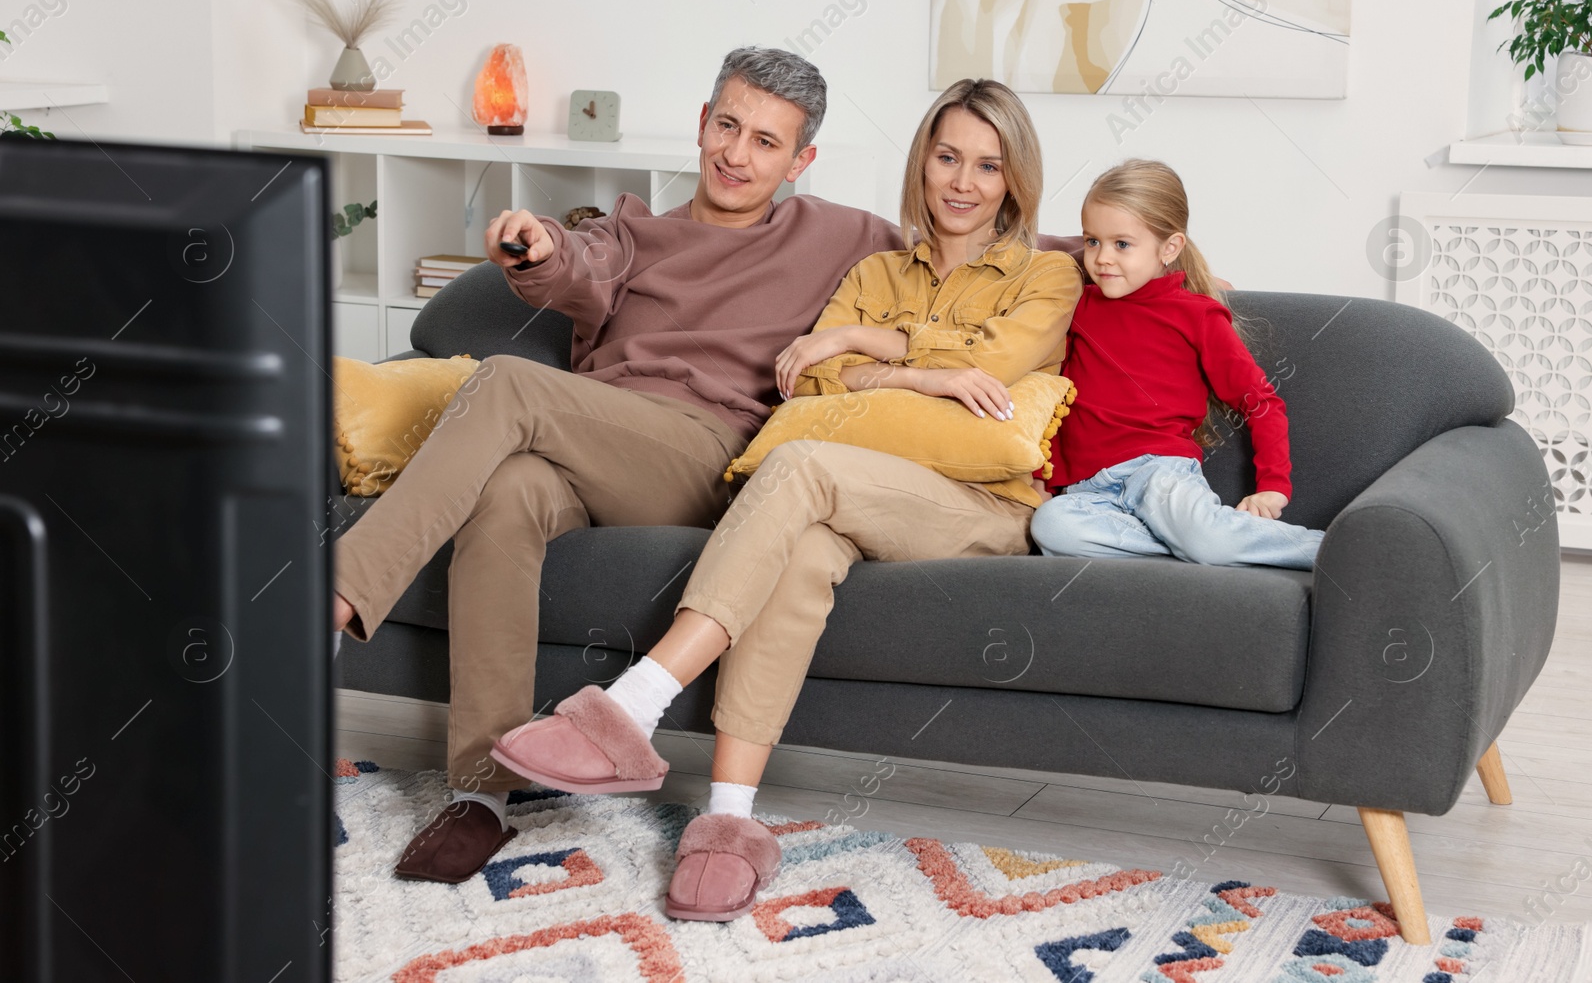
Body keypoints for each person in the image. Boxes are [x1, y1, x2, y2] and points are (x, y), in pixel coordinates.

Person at [489, 78, 1082, 921]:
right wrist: (914, 371)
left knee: (799, 462)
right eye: (948, 156)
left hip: (975, 501)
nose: (962, 182)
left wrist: (867, 344)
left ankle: (632, 706)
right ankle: (728, 824)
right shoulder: (875, 268)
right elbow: (811, 374)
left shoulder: (1049, 274)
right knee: (802, 541)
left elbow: (1002, 351)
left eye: (988, 166)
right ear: (923, 161)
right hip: (857, 486)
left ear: (1014, 180)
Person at [331, 46, 902, 883]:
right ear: (704, 123)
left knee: (508, 384)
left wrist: (1144, 249)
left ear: (800, 160)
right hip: (591, 445)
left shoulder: (841, 235)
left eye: (767, 143)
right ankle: (481, 794)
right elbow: (571, 260)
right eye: (729, 126)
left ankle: (338, 592)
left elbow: (985, 242)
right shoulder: (631, 233)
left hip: (701, 456)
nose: (738, 155)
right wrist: (534, 243)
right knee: (504, 494)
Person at [1028, 158, 1323, 568]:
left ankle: (1329, 551)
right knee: (1050, 527)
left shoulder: (1196, 315)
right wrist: (1047, 479)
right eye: (1092, 241)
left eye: (1122, 244)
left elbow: (1260, 401)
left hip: (1160, 475)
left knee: (1203, 537)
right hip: (1089, 490)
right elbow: (1052, 396)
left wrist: (1274, 485)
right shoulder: (1075, 306)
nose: (1102, 258)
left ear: (1170, 248)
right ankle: (1191, 545)